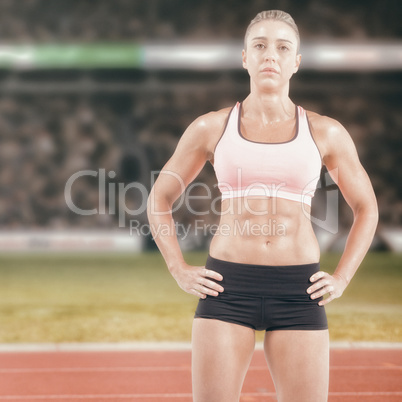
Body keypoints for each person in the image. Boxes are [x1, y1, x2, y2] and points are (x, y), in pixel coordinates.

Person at [147, 10, 378, 402]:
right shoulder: (212, 127)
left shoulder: (325, 131)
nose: (271, 54)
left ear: (296, 62)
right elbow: (158, 198)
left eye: (282, 47)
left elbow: (367, 208)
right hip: (227, 289)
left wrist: (341, 278)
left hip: (298, 291)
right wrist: (177, 266)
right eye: (260, 45)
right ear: (245, 58)